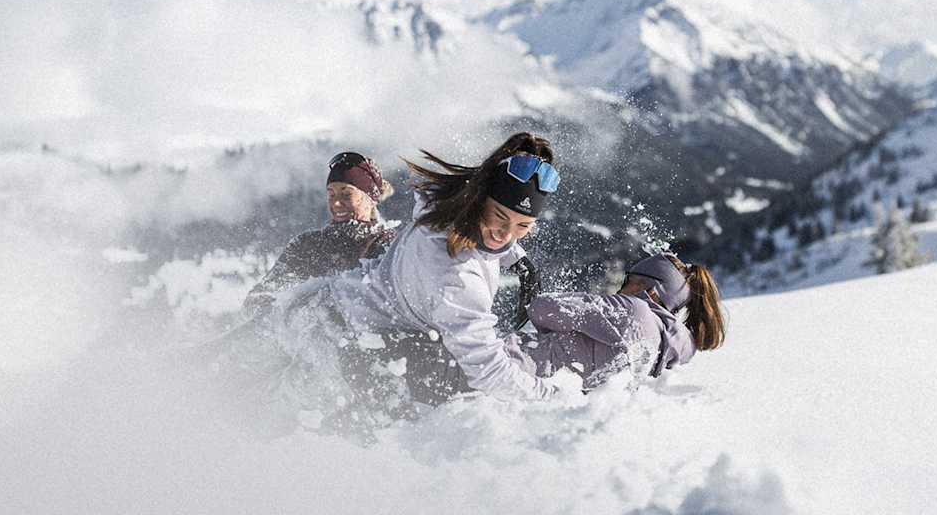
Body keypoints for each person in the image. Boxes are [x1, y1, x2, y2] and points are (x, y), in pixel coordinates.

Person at [323, 131, 562, 405]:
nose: (506, 235)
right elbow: (489, 371)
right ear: (480, 200)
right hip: (345, 339)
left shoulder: (447, 206)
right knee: (457, 389)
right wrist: (556, 400)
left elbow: (495, 236)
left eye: (523, 226)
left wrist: (517, 260)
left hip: (343, 303)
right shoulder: (456, 275)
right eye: (499, 217)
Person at [516, 252, 726, 391]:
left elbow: (542, 307)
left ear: (651, 291)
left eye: (629, 280)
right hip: (543, 392)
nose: (621, 288)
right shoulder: (664, 348)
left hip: (513, 368)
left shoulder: (632, 310)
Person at [242, 151, 396, 319]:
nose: (336, 203)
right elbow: (256, 299)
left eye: (346, 194)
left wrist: (315, 304)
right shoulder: (307, 245)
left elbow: (385, 306)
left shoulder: (388, 246)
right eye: (331, 194)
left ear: (371, 199)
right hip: (300, 343)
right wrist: (278, 308)